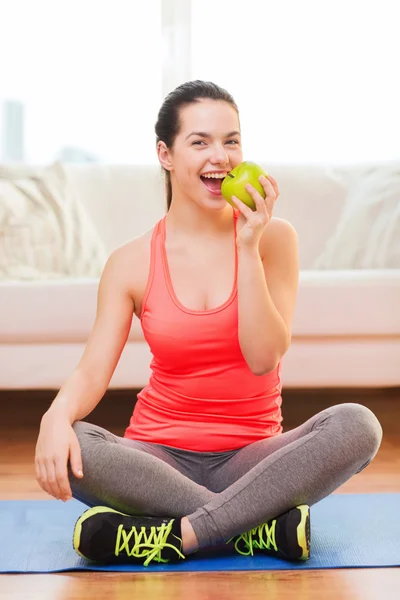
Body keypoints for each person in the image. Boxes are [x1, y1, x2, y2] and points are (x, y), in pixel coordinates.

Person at [35, 80, 383, 568]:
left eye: (231, 140)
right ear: (166, 154)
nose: (220, 156)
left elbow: (263, 358)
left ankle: (177, 532)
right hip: (158, 458)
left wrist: (246, 246)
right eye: (200, 142)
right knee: (80, 447)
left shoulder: (273, 240)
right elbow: (93, 372)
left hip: (256, 461)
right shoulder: (130, 262)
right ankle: (258, 527)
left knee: (357, 425)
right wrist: (54, 418)